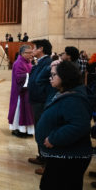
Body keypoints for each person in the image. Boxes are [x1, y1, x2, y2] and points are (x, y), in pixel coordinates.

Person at [28, 61, 92, 190]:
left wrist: (54, 139)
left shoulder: (75, 98)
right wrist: (51, 66)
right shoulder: (60, 90)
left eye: (54, 75)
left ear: (65, 77)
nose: (51, 77)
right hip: (61, 155)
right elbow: (40, 81)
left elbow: (79, 126)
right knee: (56, 189)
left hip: (69, 156)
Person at [28, 39, 53, 172]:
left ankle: (47, 162)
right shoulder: (41, 62)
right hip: (36, 101)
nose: (32, 50)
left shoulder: (47, 63)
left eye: (34, 48)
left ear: (41, 49)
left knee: (43, 130)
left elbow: (41, 83)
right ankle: (42, 156)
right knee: (39, 129)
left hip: (41, 101)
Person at [8, 45, 34, 137]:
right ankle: (18, 129)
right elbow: (19, 77)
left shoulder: (28, 62)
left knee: (27, 111)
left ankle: (26, 129)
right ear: (22, 53)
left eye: (31, 52)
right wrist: (31, 75)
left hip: (27, 91)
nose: (31, 54)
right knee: (19, 110)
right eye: (29, 53)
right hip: (20, 92)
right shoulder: (18, 63)